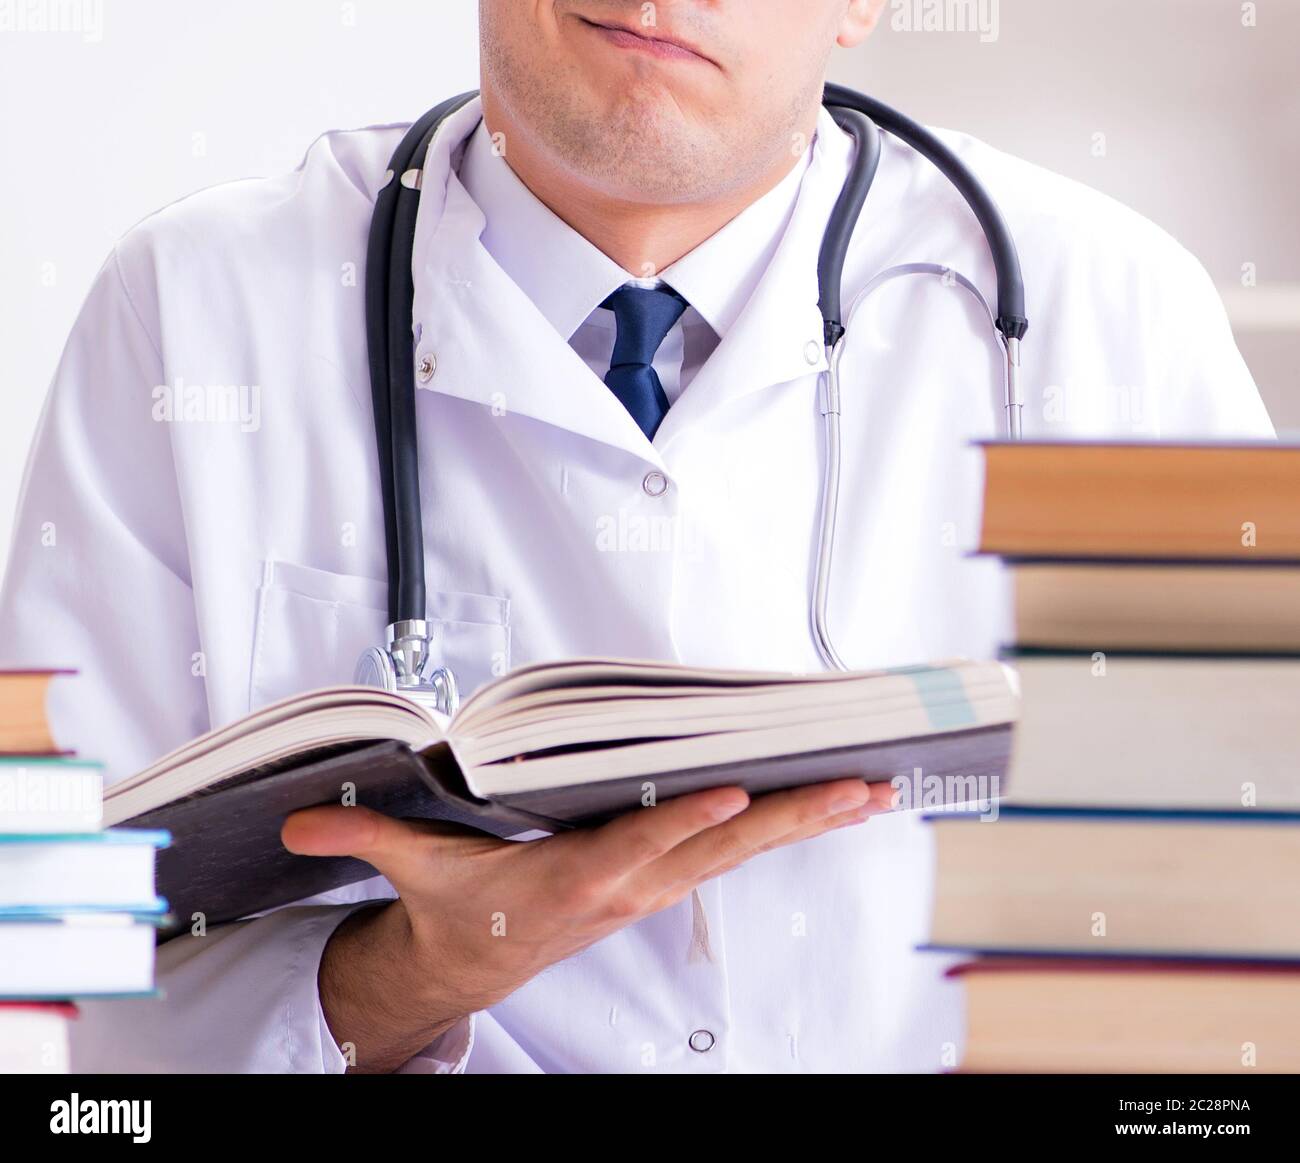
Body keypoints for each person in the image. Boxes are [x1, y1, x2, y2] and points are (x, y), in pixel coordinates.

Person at [0, 0, 1273, 1073]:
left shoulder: (1105, 316)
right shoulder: (195, 306)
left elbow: (1229, 943)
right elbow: (51, 990)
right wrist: (415, 971)